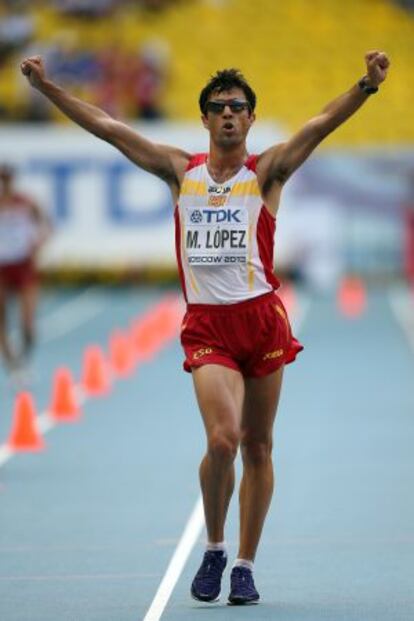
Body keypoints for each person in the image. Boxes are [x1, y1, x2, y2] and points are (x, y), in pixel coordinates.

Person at [20, 50, 389, 605]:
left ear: (250, 118)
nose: (228, 115)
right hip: (208, 326)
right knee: (223, 440)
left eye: (238, 107)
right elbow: (110, 128)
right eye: (218, 108)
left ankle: (244, 564)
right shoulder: (179, 170)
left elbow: (317, 125)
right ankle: (214, 547)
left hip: (262, 320)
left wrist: (366, 85)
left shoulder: (266, 172)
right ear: (205, 119)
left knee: (259, 447)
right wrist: (48, 90)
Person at [0, 164, 51, 377]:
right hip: (1, 266)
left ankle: (25, 357)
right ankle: (12, 365)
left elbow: (47, 226)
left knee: (27, 322)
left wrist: (39, 242)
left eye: (7, 179)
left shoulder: (26, 203)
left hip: (24, 265)